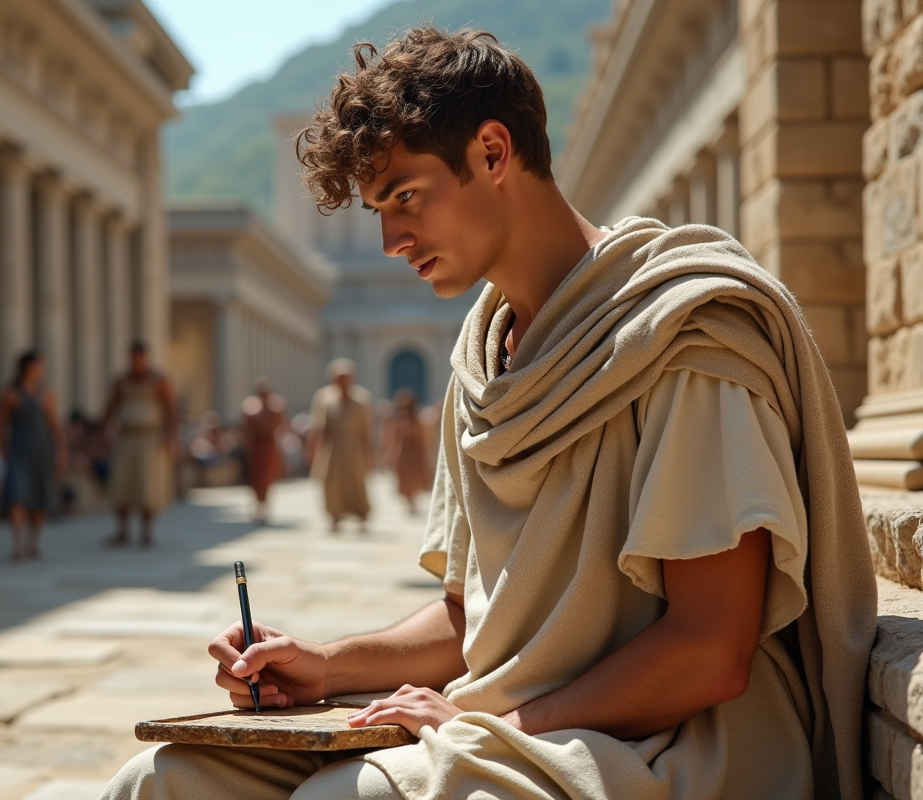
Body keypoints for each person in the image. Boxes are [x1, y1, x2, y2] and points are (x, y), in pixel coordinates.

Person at [102, 26, 876, 800]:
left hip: (678, 748)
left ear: (494, 152)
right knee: (162, 782)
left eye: (405, 197)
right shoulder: (481, 362)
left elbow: (708, 650)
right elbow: (471, 617)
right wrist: (325, 667)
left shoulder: (682, 335)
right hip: (512, 722)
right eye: (378, 210)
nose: (391, 241)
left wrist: (475, 717)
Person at [102, 341, 176, 548]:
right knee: (123, 483)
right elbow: (111, 407)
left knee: (148, 485)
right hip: (126, 436)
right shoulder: (121, 380)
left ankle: (146, 531)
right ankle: (122, 530)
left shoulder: (159, 379)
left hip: (150, 438)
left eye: (140, 357)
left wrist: (169, 436)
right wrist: (103, 431)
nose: (136, 361)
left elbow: (171, 409)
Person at [0, 350, 65, 560]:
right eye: (38, 366)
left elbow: (54, 424)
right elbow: (0, 424)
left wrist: (61, 448)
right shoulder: (10, 394)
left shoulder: (46, 393)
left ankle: (33, 541)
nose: (42, 370)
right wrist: (1, 449)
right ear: (27, 367)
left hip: (41, 447)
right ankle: (18, 544)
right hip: (19, 447)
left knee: (39, 497)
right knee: (17, 494)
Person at [309, 358, 374, 533]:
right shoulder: (323, 399)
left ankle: (362, 514)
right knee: (332, 483)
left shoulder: (361, 399)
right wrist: (315, 452)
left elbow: (365, 431)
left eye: (346, 377)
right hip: (332, 449)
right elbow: (319, 429)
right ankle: (334, 516)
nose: (343, 381)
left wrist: (369, 455)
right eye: (339, 377)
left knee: (357, 482)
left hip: (354, 449)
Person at [241, 378, 286, 524]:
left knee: (268, 476)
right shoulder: (250, 408)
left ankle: (265, 504)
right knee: (255, 478)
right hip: (256, 446)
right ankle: (257, 503)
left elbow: (282, 427)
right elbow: (246, 430)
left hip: (270, 445)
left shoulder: (277, 407)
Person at [385, 389, 430, 515]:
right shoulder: (399, 419)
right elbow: (394, 437)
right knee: (404, 478)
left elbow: (423, 438)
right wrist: (391, 453)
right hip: (403, 454)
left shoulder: (418, 419)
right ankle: (408, 500)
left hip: (414, 454)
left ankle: (413, 499)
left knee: (414, 477)